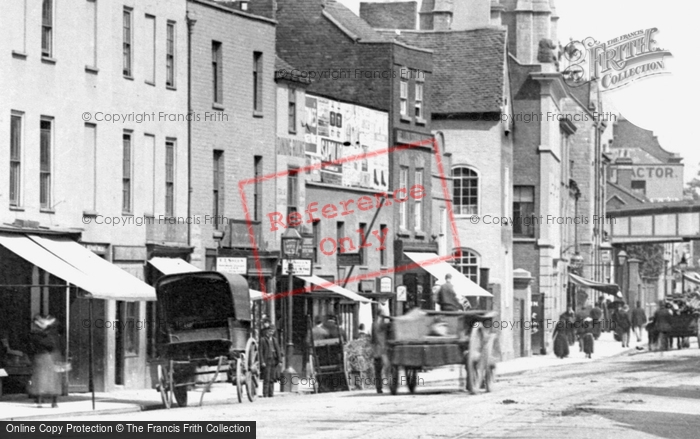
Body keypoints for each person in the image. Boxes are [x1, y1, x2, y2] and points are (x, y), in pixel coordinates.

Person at [27, 314, 62, 408]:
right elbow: (51, 345)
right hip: (47, 357)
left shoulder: (36, 334)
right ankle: (53, 402)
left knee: (40, 379)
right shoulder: (47, 333)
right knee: (51, 379)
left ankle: (40, 401)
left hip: (40, 357)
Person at [260, 320, 282, 398]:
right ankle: (265, 394)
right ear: (267, 331)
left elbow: (278, 350)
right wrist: (262, 361)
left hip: (274, 360)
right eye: (270, 331)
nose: (271, 332)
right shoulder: (263, 340)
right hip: (266, 360)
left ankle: (271, 393)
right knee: (266, 378)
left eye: (272, 331)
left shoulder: (275, 340)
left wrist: (279, 360)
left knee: (272, 378)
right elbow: (261, 352)